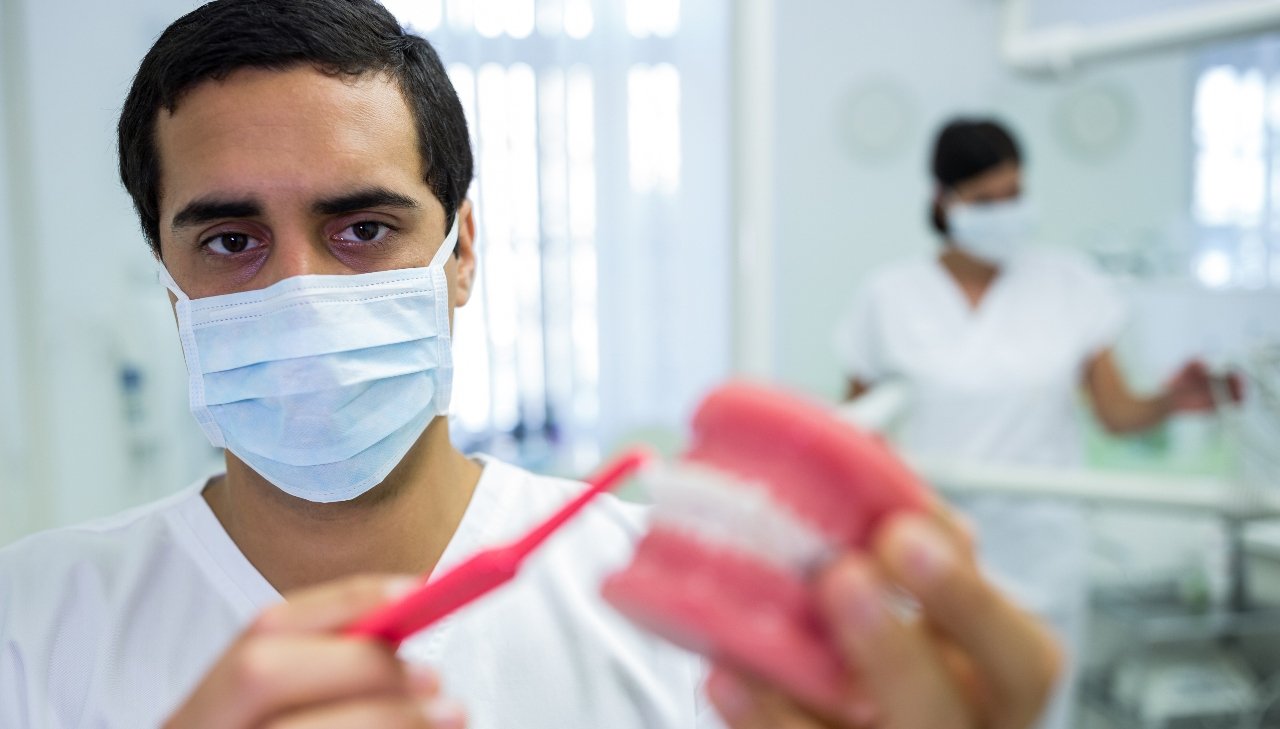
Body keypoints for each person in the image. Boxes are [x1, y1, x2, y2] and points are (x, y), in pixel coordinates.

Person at [0, 5, 1057, 727]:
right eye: (231, 242)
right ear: (168, 279)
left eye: (363, 228)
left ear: (461, 253)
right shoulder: (33, 623)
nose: (303, 290)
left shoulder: (681, 617)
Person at [832, 118, 1237, 729]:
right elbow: (858, 436)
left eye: (1013, 195)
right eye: (984, 200)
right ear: (943, 200)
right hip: (934, 550)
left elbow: (1117, 412)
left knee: (1041, 709)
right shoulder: (889, 296)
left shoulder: (1067, 283)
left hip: (1044, 550)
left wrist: (1171, 401)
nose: (1004, 213)